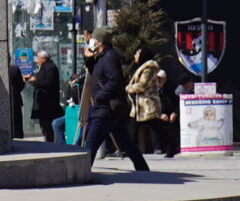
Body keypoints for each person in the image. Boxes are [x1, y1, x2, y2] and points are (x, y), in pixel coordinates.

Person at [78, 32, 149, 171]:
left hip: (106, 109)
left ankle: (82, 171)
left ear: (100, 41)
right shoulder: (101, 57)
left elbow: (114, 81)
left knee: (91, 142)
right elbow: (95, 73)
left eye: (93, 38)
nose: (90, 41)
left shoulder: (110, 57)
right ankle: (143, 169)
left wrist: (99, 96)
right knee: (126, 142)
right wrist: (88, 59)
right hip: (108, 109)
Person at [126, 50, 174, 157]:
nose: (135, 56)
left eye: (137, 54)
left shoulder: (149, 68)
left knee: (157, 127)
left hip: (147, 104)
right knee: (133, 127)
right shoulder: (141, 68)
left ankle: (171, 146)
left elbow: (142, 86)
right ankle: (129, 150)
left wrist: (128, 88)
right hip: (139, 105)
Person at [30, 50, 63, 140]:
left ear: (43, 59)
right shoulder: (44, 67)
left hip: (48, 103)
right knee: (44, 125)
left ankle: (50, 142)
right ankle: (48, 140)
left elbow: (49, 83)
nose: (36, 60)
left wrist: (35, 81)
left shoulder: (50, 68)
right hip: (43, 103)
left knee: (48, 126)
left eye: (38, 58)